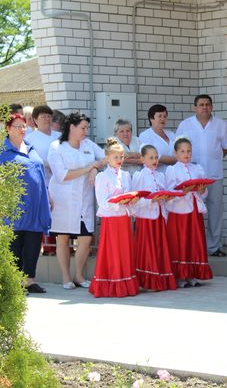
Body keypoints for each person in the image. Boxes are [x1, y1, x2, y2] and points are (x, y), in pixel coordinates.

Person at [48, 112, 105, 290]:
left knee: (86, 238)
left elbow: (105, 157)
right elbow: (62, 175)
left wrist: (95, 169)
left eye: (87, 128)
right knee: (63, 238)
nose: (85, 131)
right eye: (82, 128)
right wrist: (88, 168)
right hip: (63, 199)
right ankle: (66, 277)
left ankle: (79, 275)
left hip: (84, 199)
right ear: (71, 127)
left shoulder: (88, 145)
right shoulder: (57, 147)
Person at [176, 94, 227, 257]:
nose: (204, 107)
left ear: (211, 106)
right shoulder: (185, 124)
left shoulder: (220, 124)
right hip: (192, 176)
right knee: (193, 210)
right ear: (195, 107)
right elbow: (179, 147)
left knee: (215, 210)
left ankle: (213, 246)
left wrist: (214, 157)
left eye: (207, 104)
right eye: (201, 105)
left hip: (214, 174)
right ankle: (195, 246)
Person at [0, 113, 51, 294]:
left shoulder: (30, 147)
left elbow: (39, 173)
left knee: (33, 243)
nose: (22, 130)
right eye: (17, 126)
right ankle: (15, 282)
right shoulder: (3, 151)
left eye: (24, 126)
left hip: (36, 204)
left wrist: (48, 196)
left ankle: (29, 281)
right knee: (16, 243)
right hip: (16, 205)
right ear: (7, 129)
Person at [89, 138, 139, 298]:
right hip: (111, 218)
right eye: (116, 157)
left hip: (124, 218)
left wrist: (131, 201)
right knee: (112, 250)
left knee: (124, 250)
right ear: (107, 158)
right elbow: (102, 201)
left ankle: (126, 282)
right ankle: (110, 283)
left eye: (121, 157)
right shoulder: (102, 176)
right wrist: (118, 203)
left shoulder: (125, 175)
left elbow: (129, 193)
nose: (119, 160)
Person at [165, 137, 213, 287]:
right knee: (181, 241)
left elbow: (203, 193)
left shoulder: (197, 168)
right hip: (179, 211)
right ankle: (180, 276)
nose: (186, 154)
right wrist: (182, 191)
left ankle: (192, 274)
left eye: (189, 151)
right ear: (176, 153)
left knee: (194, 240)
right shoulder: (172, 169)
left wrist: (201, 189)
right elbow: (169, 192)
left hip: (194, 209)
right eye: (182, 151)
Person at [131, 145, 177, 291]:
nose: (154, 160)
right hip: (146, 217)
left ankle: (160, 277)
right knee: (147, 247)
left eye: (156, 157)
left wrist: (165, 197)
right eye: (151, 157)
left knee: (159, 246)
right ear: (142, 159)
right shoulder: (139, 176)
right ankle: (147, 280)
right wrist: (151, 200)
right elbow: (135, 199)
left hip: (159, 216)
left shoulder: (161, 175)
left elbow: (163, 194)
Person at [25, 105, 62, 184]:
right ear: (35, 120)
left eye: (49, 116)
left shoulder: (60, 136)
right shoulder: (28, 139)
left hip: (61, 180)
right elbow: (27, 159)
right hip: (41, 180)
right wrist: (45, 164)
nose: (47, 119)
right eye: (43, 117)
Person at [139, 104, 176, 173]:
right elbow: (151, 157)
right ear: (151, 118)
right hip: (156, 176)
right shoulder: (145, 135)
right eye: (159, 116)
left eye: (165, 116)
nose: (163, 119)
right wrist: (177, 159)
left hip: (174, 176)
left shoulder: (172, 134)